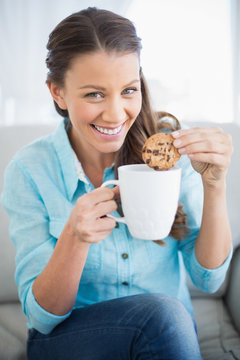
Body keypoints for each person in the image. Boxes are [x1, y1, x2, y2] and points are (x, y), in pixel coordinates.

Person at [1, 7, 233, 360]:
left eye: (128, 90)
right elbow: (43, 317)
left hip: (166, 339)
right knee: (163, 314)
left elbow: (209, 281)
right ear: (58, 93)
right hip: (71, 339)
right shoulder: (30, 170)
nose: (115, 114)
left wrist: (215, 187)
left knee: (165, 317)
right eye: (94, 94)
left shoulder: (168, 150)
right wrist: (74, 238)